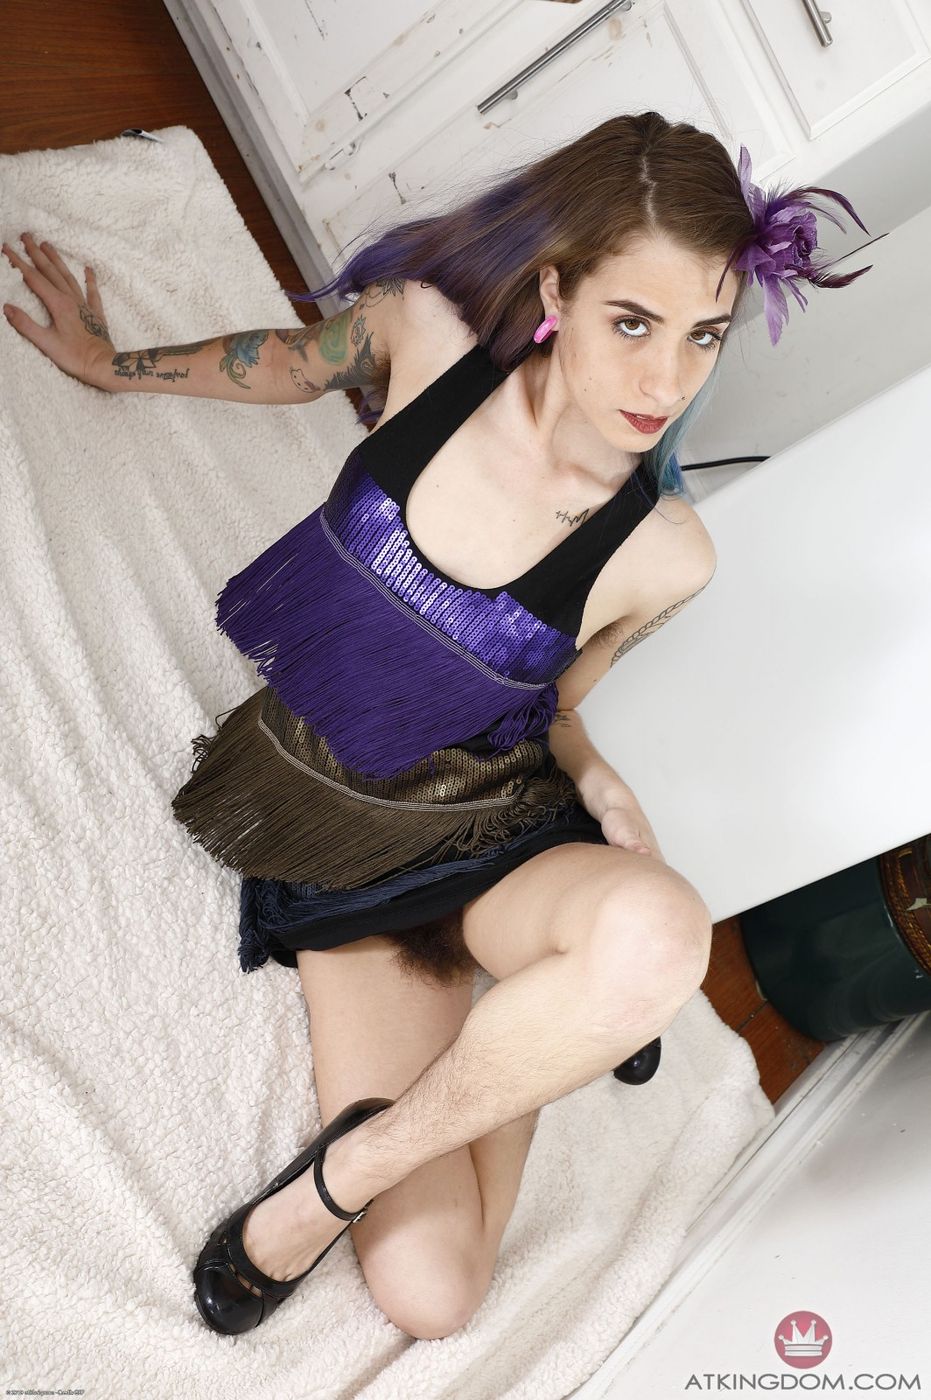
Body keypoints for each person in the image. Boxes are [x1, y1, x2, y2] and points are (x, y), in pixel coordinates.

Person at [2, 110, 873, 1340]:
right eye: (634, 322)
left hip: (499, 828)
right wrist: (111, 363)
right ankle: (557, 1030)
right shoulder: (421, 338)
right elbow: (285, 363)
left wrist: (598, 778)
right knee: (433, 1286)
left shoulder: (666, 551)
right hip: (342, 845)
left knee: (662, 937)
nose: (666, 383)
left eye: (703, 336)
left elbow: (549, 705)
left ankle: (341, 1175)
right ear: (558, 290)